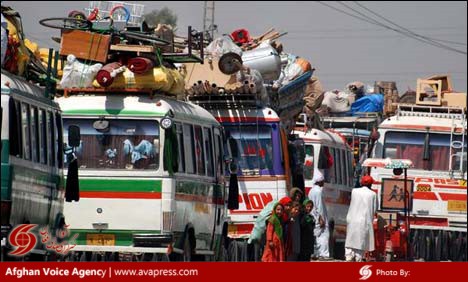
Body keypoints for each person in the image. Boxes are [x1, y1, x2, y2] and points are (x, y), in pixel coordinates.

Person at [345, 175, 377, 262]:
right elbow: (374, 209)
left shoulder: (354, 191)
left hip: (352, 218)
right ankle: (358, 257)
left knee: (350, 238)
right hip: (364, 220)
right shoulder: (373, 194)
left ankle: (348, 256)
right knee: (361, 240)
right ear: (370, 184)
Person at [307, 170, 330, 259]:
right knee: (324, 235)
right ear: (320, 181)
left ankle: (316, 253)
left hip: (313, 216)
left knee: (316, 235)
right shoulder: (318, 191)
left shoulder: (311, 190)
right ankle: (323, 254)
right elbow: (319, 206)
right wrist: (321, 218)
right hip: (319, 217)